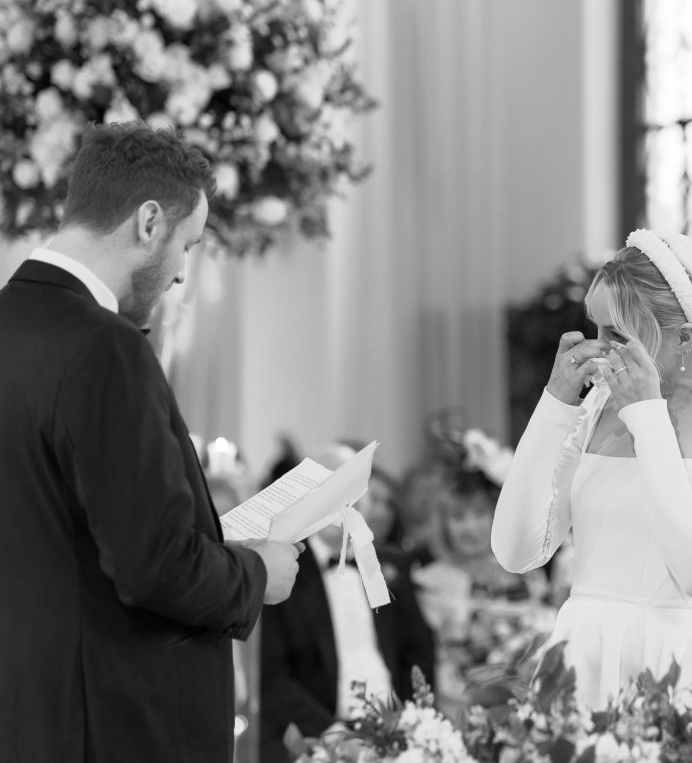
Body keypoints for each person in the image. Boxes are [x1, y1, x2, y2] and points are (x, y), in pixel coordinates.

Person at [0, 122, 300, 763]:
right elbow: (153, 566)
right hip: (114, 725)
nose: (184, 274)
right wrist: (257, 572)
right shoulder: (105, 346)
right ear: (148, 222)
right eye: (188, 244)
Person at [491, 229, 692, 727]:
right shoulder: (597, 406)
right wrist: (555, 406)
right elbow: (516, 551)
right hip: (580, 660)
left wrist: (648, 417)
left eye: (619, 335)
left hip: (679, 668)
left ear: (684, 339)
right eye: (596, 328)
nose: (600, 350)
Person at [259, 453, 436, 763]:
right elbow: (272, 673)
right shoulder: (283, 570)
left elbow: (418, 648)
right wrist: (333, 736)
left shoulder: (388, 566)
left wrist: (407, 722)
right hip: (317, 734)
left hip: (393, 730)